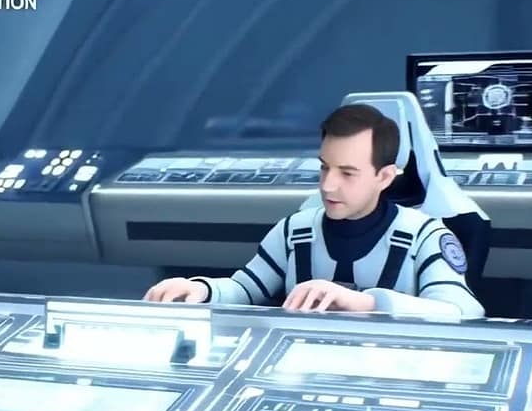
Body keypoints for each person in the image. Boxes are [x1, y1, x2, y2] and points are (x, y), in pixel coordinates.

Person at [143, 104, 485, 318]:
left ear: (384, 177)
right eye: (325, 168)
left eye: (347, 173)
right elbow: (246, 289)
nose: (328, 186)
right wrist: (200, 290)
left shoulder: (425, 236)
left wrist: (367, 303)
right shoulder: (294, 231)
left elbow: (463, 311)